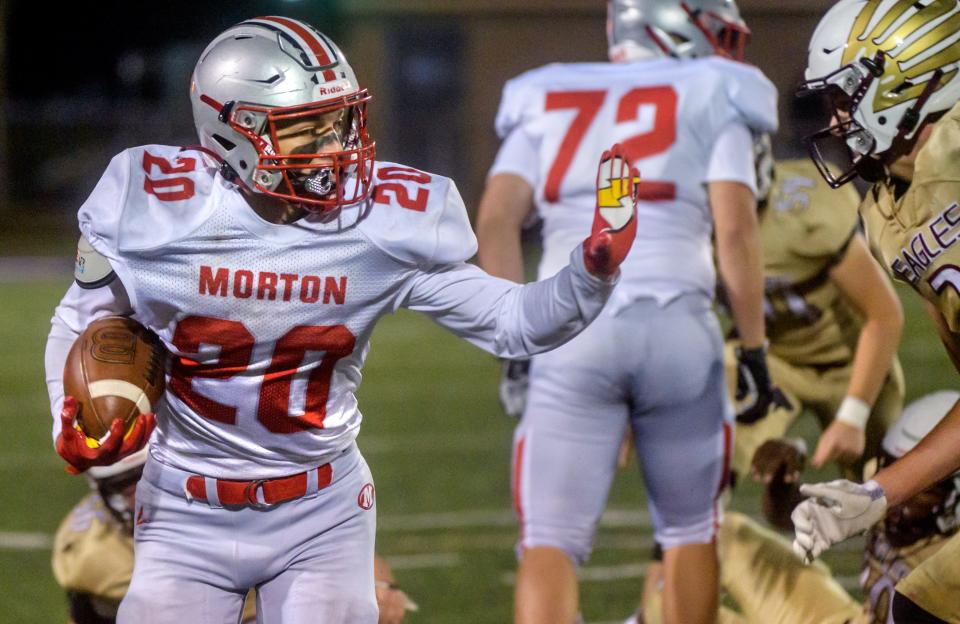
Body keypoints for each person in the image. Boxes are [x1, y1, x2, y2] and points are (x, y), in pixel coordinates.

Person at [43, 16, 640, 624]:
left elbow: (513, 321)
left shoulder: (376, 221)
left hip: (321, 512)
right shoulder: (152, 206)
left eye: (340, 120)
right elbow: (82, 319)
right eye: (306, 128)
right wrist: (67, 416)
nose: (335, 145)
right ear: (233, 133)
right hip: (183, 510)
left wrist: (589, 273)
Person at [475, 2, 779, 623]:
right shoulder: (716, 91)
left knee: (549, 540)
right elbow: (736, 233)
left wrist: (514, 335)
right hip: (678, 327)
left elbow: (495, 219)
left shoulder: (548, 92)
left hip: (570, 326)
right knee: (691, 529)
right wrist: (753, 348)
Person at [788, 1, 960, 621]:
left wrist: (882, 491)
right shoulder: (887, 207)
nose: (834, 117)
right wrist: (877, 494)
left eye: (844, 95)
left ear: (908, 75)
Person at [631, 391, 960, 624]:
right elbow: (804, 518)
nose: (906, 499)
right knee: (724, 536)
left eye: (927, 490)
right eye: (895, 468)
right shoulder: (886, 492)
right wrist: (783, 486)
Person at [51, 449, 416, 624]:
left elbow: (333, 546)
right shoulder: (93, 552)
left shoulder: (236, 491)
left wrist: (381, 586)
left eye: (143, 475)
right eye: (121, 485)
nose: (136, 493)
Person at [723, 140, 904, 485]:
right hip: (770, 360)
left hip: (848, 363)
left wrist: (853, 416)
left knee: (882, 492)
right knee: (710, 463)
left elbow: (883, 316)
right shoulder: (687, 230)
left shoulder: (805, 209)